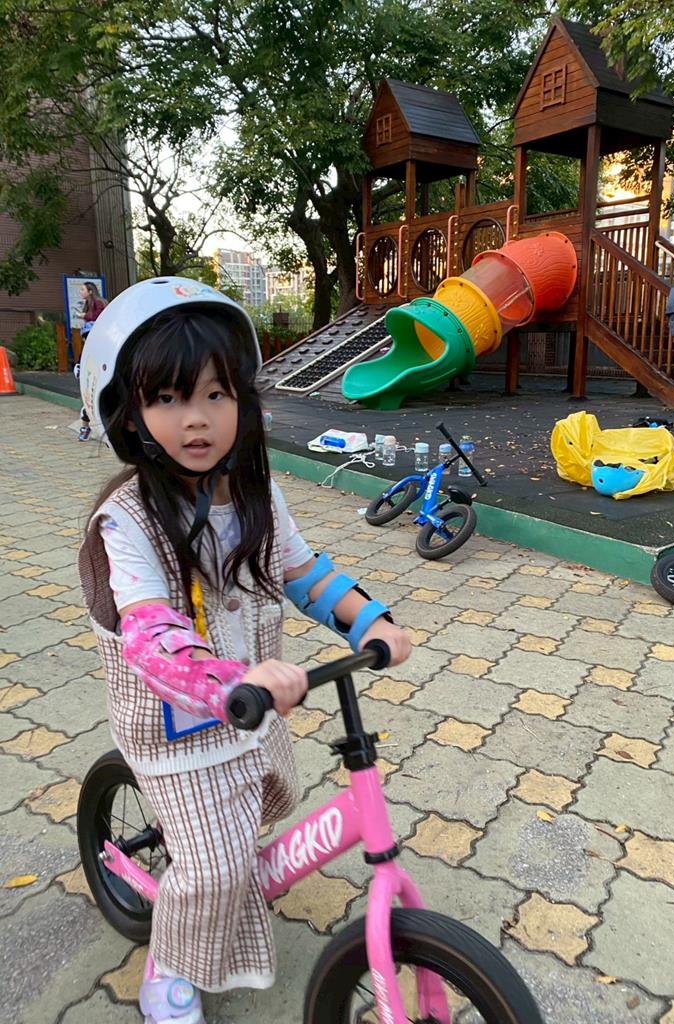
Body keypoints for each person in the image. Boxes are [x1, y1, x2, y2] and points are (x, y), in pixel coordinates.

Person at [76, 277, 411, 1024]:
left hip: (252, 713)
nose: (196, 418)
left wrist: (370, 622)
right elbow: (150, 634)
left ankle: (213, 863)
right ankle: (169, 966)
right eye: (168, 399)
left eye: (216, 394)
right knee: (214, 871)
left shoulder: (257, 493)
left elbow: (303, 572)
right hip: (177, 730)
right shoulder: (127, 521)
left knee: (270, 800)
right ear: (128, 413)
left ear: (243, 403)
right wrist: (229, 677)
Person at [75, 284, 107, 440]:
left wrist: (84, 316)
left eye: (82, 289)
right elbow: (80, 364)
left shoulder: (98, 303)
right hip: (92, 380)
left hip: (103, 378)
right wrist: (79, 368)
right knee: (89, 404)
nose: (80, 292)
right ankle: (85, 427)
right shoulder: (87, 352)